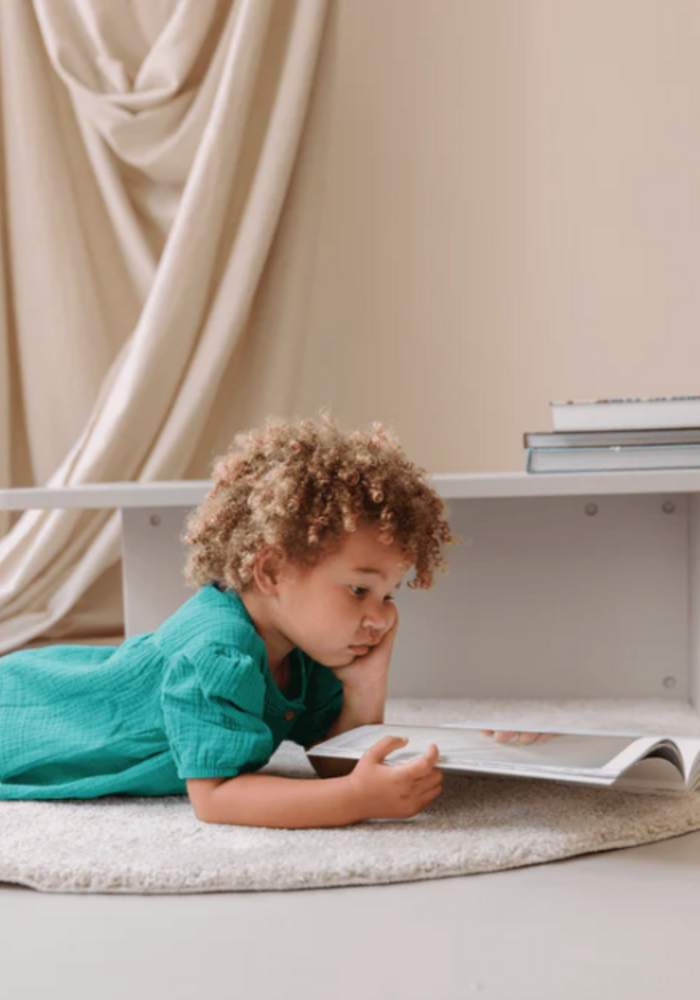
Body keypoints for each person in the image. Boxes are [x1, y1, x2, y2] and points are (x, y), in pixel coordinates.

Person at [0, 410, 545, 827]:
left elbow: (334, 762)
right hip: (30, 713)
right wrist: (351, 803)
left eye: (389, 595)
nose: (378, 616)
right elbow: (215, 797)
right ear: (272, 572)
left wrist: (364, 685)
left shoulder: (304, 654)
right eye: (359, 589)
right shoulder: (219, 653)